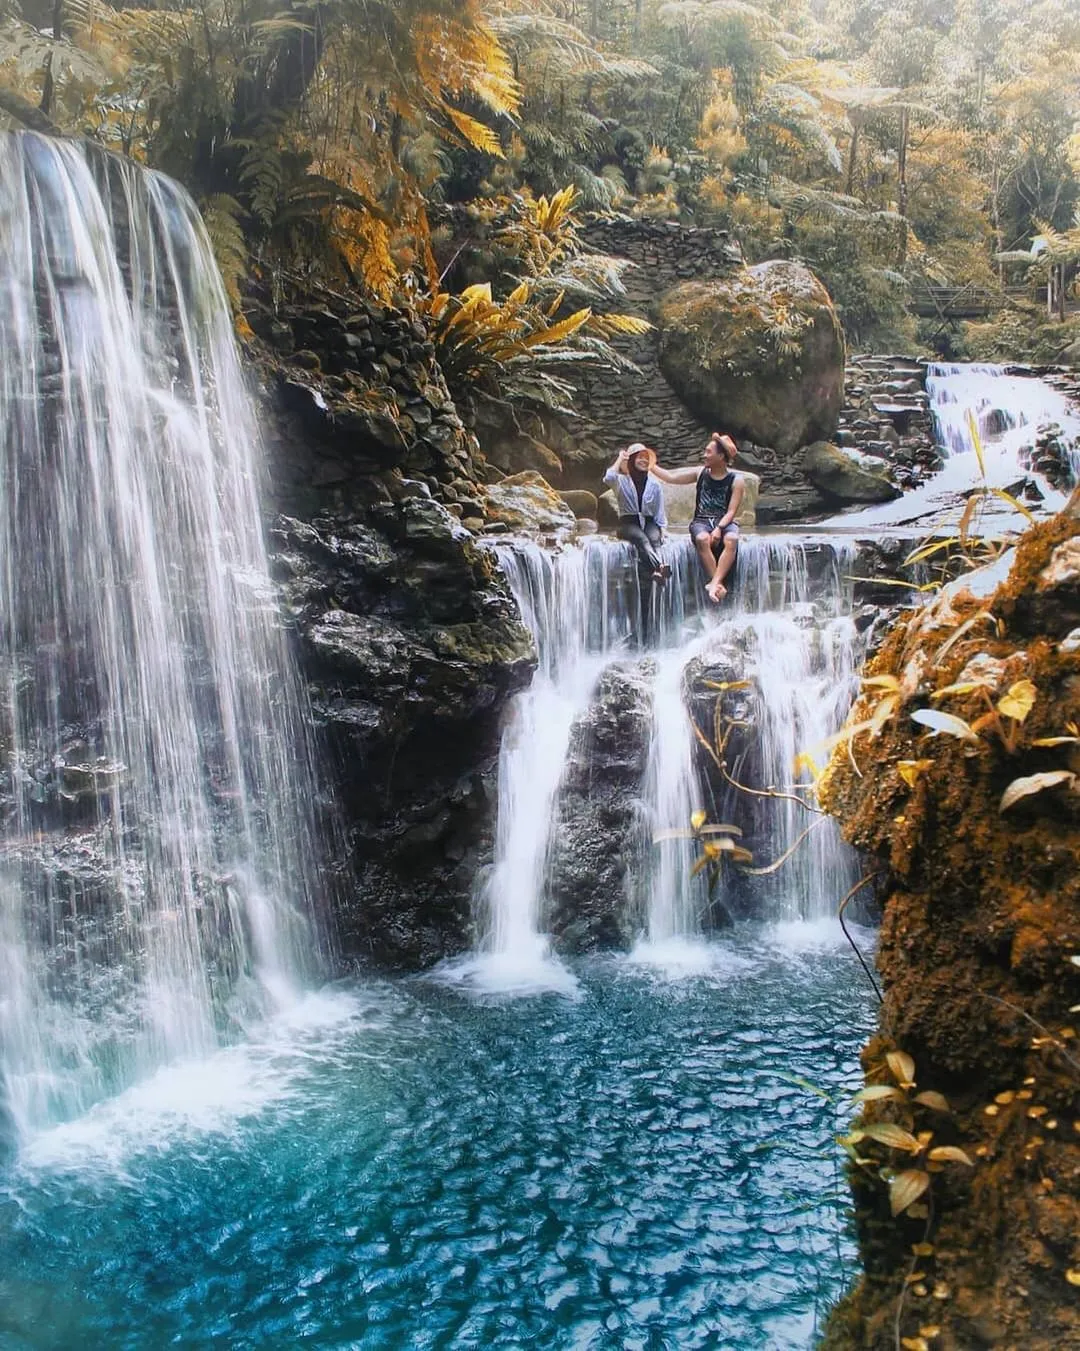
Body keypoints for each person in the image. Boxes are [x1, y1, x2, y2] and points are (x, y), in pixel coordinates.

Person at [651, 433, 744, 602]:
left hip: (724, 521)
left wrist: (719, 529)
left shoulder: (736, 480)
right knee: (702, 539)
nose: (704, 455)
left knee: (731, 539)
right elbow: (671, 478)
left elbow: (731, 511)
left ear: (721, 456)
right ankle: (717, 584)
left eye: (708, 452)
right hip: (702, 520)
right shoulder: (700, 473)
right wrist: (651, 465)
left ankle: (714, 583)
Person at [603, 442, 672, 584]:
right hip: (628, 523)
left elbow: (659, 510)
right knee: (642, 539)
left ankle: (657, 572)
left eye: (646, 458)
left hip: (649, 521)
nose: (644, 460)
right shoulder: (621, 481)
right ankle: (659, 567)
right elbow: (608, 478)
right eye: (640, 457)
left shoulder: (654, 484)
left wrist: (663, 528)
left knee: (655, 540)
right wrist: (620, 458)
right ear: (632, 459)